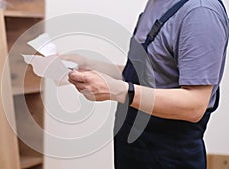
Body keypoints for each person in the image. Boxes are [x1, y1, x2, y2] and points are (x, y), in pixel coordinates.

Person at [63, 0, 229, 168]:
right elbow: (152, 74)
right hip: (133, 152)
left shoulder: (201, 13)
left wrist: (118, 91)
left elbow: (195, 105)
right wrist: (89, 66)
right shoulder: (156, 4)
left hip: (169, 157)